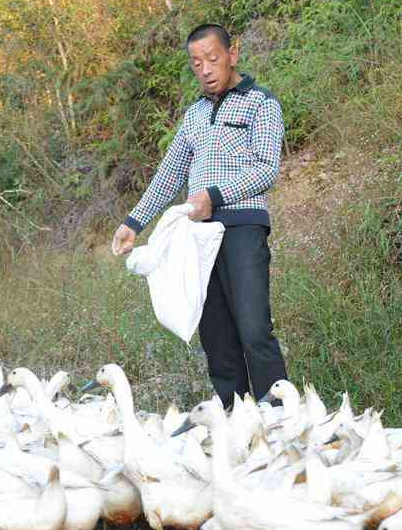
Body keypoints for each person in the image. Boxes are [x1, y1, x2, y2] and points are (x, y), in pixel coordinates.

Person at [112, 23, 287, 409]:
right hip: (196, 237)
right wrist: (133, 223)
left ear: (232, 54)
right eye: (196, 63)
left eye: (212, 58)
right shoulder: (194, 115)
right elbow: (170, 171)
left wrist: (215, 196)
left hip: (242, 227)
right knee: (217, 336)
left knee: (253, 328)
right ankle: (232, 420)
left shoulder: (262, 103)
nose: (205, 69)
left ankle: (279, 421)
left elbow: (266, 169)